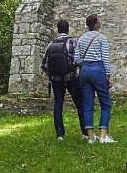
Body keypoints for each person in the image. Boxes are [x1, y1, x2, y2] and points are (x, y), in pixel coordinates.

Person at [74, 14, 116, 144]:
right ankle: (103, 137)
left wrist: (85, 64)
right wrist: (108, 75)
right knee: (105, 104)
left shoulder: (81, 39)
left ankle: (91, 138)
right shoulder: (101, 38)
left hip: (85, 70)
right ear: (97, 24)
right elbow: (105, 58)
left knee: (88, 105)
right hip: (98, 69)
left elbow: (76, 59)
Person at [41, 19, 85, 141]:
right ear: (68, 29)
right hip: (71, 78)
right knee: (80, 104)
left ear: (58, 29)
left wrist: (52, 74)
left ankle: (60, 134)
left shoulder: (51, 44)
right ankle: (85, 132)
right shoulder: (74, 41)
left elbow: (44, 65)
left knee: (58, 105)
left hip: (56, 81)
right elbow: (79, 60)